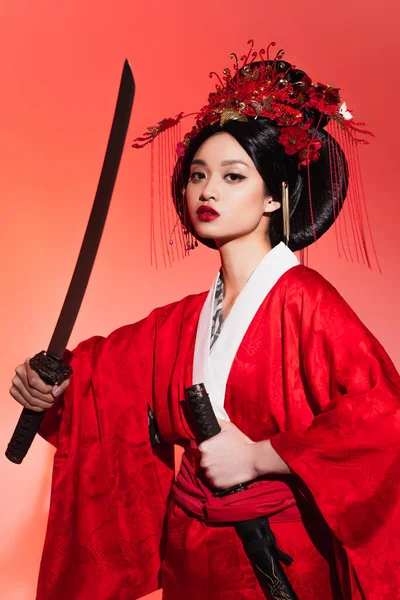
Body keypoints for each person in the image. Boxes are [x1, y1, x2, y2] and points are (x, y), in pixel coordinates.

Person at [9, 42, 400, 600]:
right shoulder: (184, 321)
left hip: (282, 562)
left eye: (233, 176)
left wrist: (260, 456)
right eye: (198, 175)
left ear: (274, 197)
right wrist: (50, 384)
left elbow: (383, 422)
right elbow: (100, 381)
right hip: (190, 557)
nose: (208, 190)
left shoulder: (307, 303)